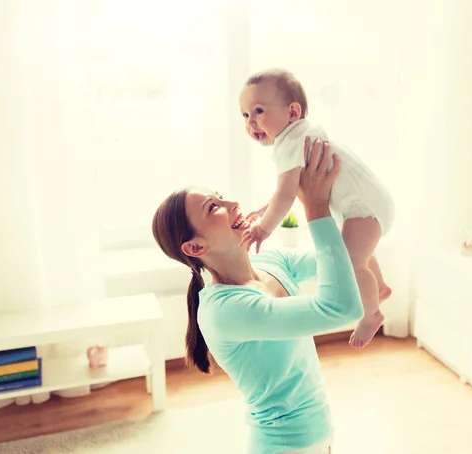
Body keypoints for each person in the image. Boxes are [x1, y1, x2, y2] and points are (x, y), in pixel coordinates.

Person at [152, 138, 363, 454]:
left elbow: (345, 256)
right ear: (195, 248)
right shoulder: (225, 310)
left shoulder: (271, 260)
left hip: (320, 431)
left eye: (220, 197)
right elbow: (342, 308)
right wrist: (314, 206)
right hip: (285, 445)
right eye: (213, 208)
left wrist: (332, 189)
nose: (232, 204)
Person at [239, 68, 394, 348]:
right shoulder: (301, 134)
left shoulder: (290, 143)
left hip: (363, 210)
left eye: (259, 111)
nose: (251, 122)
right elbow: (288, 190)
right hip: (370, 204)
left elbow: (287, 194)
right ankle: (379, 287)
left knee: (351, 262)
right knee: (359, 252)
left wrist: (262, 229)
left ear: (292, 111)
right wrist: (267, 207)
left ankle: (371, 314)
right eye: (245, 115)